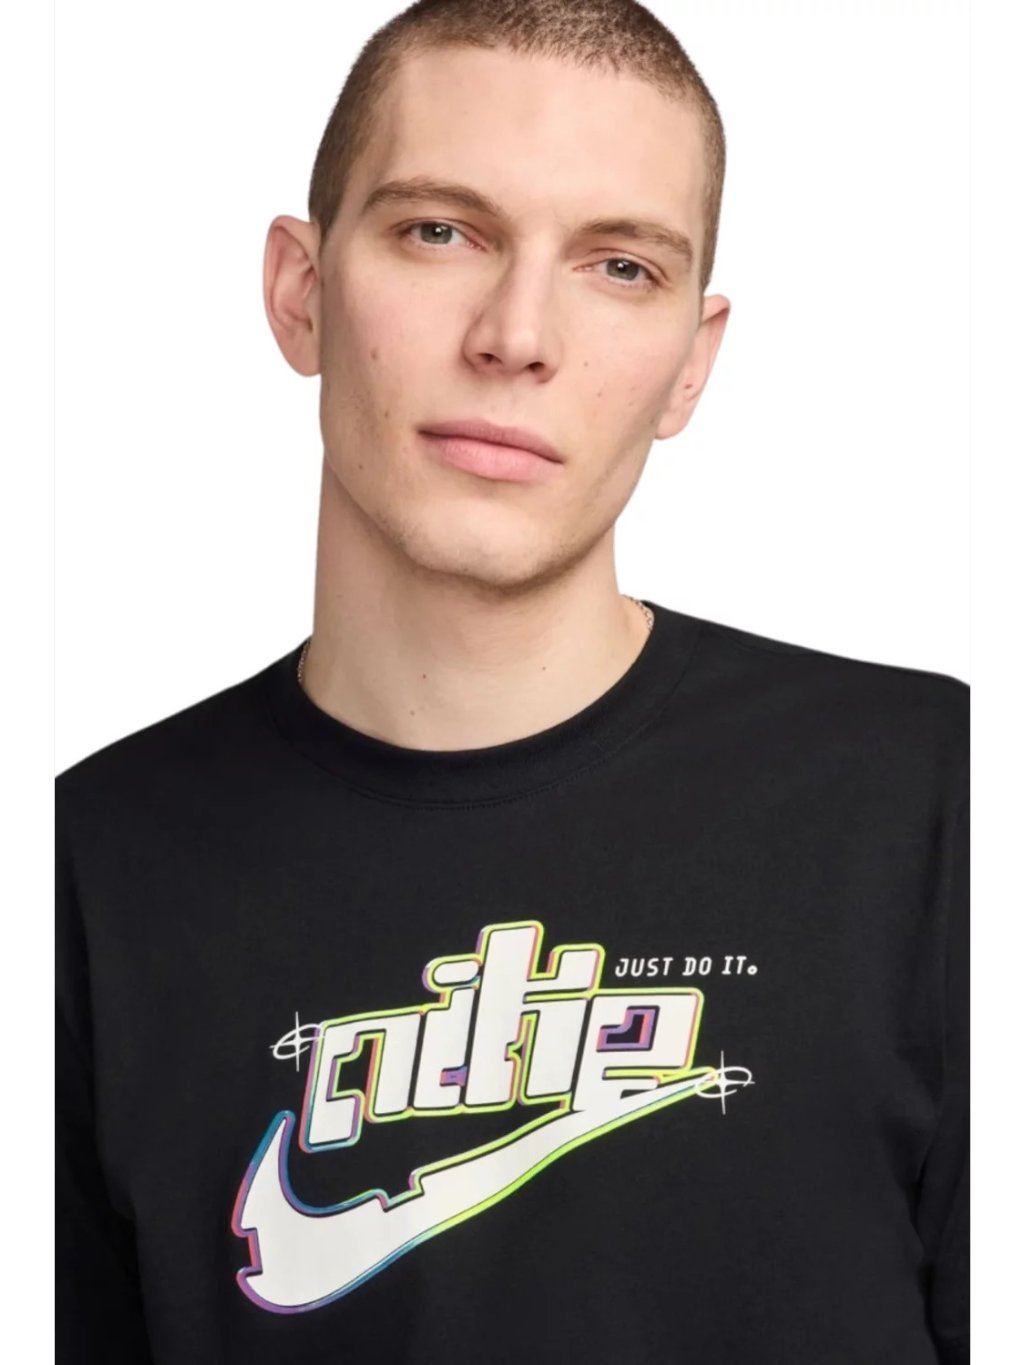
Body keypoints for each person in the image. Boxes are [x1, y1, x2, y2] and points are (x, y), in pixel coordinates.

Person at [55, 1, 969, 1361]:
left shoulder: (943, 800)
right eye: (442, 231)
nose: (517, 334)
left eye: (620, 266)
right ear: (301, 292)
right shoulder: (78, 871)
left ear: (691, 365)